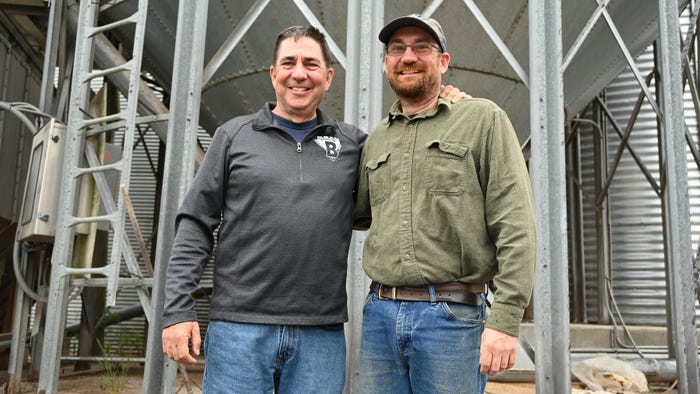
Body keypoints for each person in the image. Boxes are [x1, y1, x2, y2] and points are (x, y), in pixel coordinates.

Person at [160, 25, 468, 393]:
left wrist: (443, 107)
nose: (299, 74)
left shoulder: (354, 144)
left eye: (311, 63)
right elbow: (195, 224)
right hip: (239, 330)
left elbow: (405, 171)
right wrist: (177, 309)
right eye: (288, 63)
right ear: (274, 74)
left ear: (328, 76)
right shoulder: (233, 136)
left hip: (320, 335)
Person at [353, 14, 537, 393]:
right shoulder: (376, 140)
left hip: (452, 317)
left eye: (422, 47)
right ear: (387, 62)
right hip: (379, 316)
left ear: (444, 61)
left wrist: (505, 319)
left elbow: (515, 223)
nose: (408, 57)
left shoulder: (482, 120)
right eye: (397, 49)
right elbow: (356, 214)